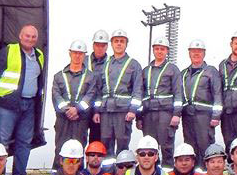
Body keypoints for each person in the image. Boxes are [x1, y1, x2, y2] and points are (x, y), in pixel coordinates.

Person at [0, 24, 45, 175]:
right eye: (27, 36)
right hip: (8, 105)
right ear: (20, 36)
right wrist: (2, 97)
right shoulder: (8, 51)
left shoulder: (39, 55)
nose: (30, 39)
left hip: (29, 105)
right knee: (2, 143)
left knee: (24, 143)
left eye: (33, 37)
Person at [94, 30, 143, 157]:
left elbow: (137, 90)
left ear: (126, 44)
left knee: (122, 144)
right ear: (111, 44)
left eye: (122, 41)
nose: (119, 44)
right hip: (106, 111)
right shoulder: (105, 65)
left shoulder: (134, 65)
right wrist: (96, 111)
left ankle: (122, 169)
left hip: (123, 112)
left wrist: (133, 110)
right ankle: (107, 170)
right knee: (105, 144)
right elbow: (99, 91)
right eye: (116, 41)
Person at [52, 40, 99, 161]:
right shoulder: (58, 76)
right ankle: (57, 172)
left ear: (84, 55)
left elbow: (90, 96)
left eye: (80, 53)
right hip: (63, 120)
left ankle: (78, 173)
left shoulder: (91, 77)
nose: (77, 56)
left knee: (78, 150)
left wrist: (77, 110)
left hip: (81, 120)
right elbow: (56, 97)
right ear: (70, 53)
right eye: (75, 52)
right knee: (60, 150)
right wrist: (67, 110)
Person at [140, 36, 182, 167]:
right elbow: (140, 94)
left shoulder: (172, 69)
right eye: (157, 48)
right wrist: (139, 117)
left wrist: (176, 114)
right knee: (149, 148)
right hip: (148, 114)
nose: (159, 51)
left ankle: (168, 173)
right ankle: (151, 174)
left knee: (166, 146)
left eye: (162, 49)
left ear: (167, 51)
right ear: (153, 50)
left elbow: (178, 93)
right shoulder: (146, 70)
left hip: (165, 113)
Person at [180, 39, 222, 167]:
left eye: (199, 51)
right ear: (189, 53)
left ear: (204, 53)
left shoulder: (211, 71)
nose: (196, 54)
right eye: (193, 51)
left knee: (205, 147)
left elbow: (217, 93)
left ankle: (206, 174)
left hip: (204, 117)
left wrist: (216, 116)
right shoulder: (184, 73)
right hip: (187, 116)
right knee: (190, 149)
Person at [87, 30, 109, 143]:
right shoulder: (83, 60)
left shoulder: (111, 63)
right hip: (82, 108)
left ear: (107, 46)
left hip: (101, 110)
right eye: (97, 45)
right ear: (93, 45)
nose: (100, 48)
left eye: (103, 45)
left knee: (97, 142)